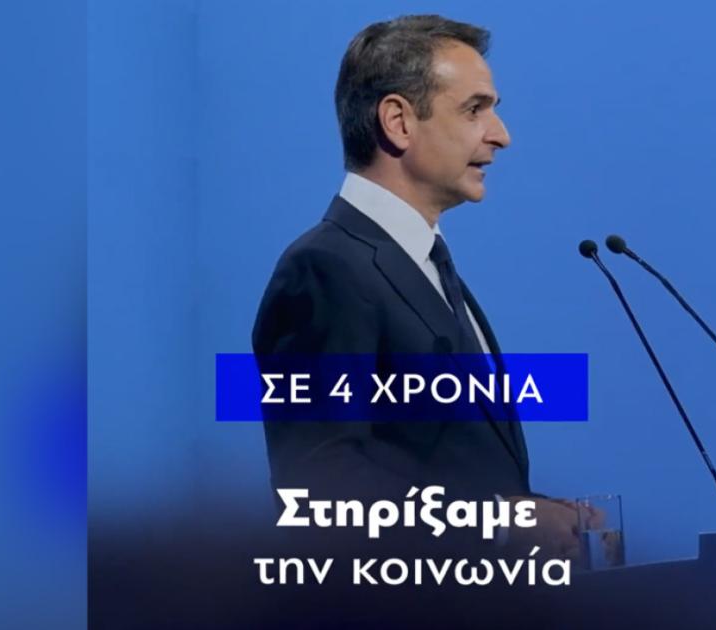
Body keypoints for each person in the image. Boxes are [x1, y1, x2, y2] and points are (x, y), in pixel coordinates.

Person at [252, 15, 593, 560]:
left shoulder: (427, 266)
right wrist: (500, 526)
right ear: (398, 122)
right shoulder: (325, 269)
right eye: (475, 109)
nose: (501, 135)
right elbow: (320, 492)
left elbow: (453, 468)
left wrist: (543, 518)